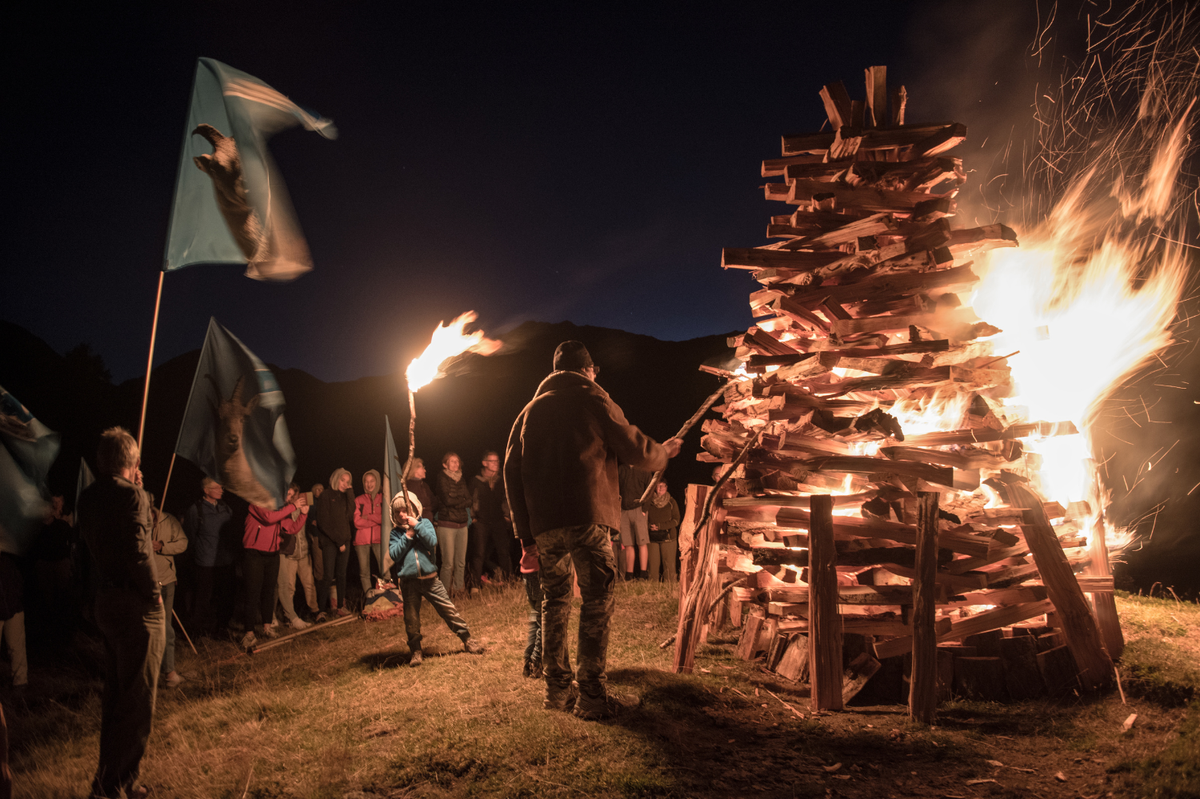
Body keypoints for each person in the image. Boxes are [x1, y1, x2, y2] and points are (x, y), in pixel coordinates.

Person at [504, 341, 681, 720]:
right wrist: (663, 453)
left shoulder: (529, 412)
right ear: (587, 370)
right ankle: (592, 696)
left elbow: (510, 471)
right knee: (597, 602)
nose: (595, 375)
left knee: (555, 601)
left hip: (545, 526)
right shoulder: (593, 399)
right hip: (587, 517)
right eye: (593, 371)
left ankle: (556, 692)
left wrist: (526, 536)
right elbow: (633, 445)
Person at [76, 427, 165, 799]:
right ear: (133, 461)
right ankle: (114, 786)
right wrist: (155, 593)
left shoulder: (89, 496)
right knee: (136, 699)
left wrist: (138, 491)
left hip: (106, 601)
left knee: (116, 695)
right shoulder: (131, 496)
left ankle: (111, 778)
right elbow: (139, 550)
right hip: (134, 604)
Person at [388, 491, 484, 666]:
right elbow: (394, 554)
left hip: (430, 579)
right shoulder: (395, 533)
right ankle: (416, 651)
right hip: (409, 583)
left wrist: (416, 527)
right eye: (397, 512)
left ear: (414, 508)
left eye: (404, 510)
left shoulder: (425, 524)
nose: (401, 514)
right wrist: (407, 536)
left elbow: (431, 541)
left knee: (448, 610)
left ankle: (467, 639)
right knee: (411, 619)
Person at [241, 486, 308, 648]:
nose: (288, 497)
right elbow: (269, 518)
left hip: (272, 554)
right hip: (254, 553)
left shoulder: (280, 510)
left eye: (291, 495)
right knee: (253, 592)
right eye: (287, 494)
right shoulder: (257, 503)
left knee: (269, 592)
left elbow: (291, 528)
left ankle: (267, 627)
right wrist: (293, 507)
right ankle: (248, 633)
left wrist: (303, 514)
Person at [182, 477, 237, 635]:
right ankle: (198, 631)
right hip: (206, 563)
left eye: (221, 487)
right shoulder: (196, 510)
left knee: (226, 598)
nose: (221, 490)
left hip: (225, 561)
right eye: (217, 487)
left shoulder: (226, 508)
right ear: (206, 490)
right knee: (203, 599)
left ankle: (221, 628)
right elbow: (190, 536)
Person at [149, 500, 189, 688]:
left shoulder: (168, 520)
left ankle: (166, 671)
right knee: (160, 630)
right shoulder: (137, 522)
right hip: (148, 584)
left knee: (166, 628)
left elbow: (183, 543)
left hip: (167, 580)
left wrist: (162, 546)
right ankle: (166, 673)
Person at [278, 486, 319, 631]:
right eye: (288, 494)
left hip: (304, 551)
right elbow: (290, 529)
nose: (292, 497)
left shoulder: (302, 506)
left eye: (293, 494)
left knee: (309, 583)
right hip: (289, 554)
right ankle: (289, 616)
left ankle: (315, 611)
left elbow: (311, 519)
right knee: (289, 587)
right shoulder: (284, 509)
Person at [315, 469, 355, 618]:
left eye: (347, 481)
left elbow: (350, 515)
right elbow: (324, 523)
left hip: (345, 540)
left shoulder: (345, 497)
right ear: (336, 479)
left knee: (342, 575)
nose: (345, 484)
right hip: (331, 542)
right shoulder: (325, 495)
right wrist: (338, 542)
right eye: (342, 480)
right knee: (328, 575)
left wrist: (350, 494)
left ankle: (340, 607)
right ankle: (321, 611)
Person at [432, 453, 471, 597]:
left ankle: (459, 589)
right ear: (445, 464)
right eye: (452, 461)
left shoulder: (462, 479)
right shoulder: (441, 479)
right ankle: (444, 592)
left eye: (457, 461)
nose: (455, 464)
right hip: (446, 524)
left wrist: (457, 500)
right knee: (448, 562)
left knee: (460, 560)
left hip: (462, 523)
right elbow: (447, 501)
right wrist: (461, 501)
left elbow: (469, 499)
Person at [470, 451, 511, 585]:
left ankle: (509, 581)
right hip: (481, 522)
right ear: (485, 463)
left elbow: (506, 498)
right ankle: (475, 585)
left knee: (504, 552)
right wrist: (473, 518)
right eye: (492, 461)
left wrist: (506, 515)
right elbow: (471, 500)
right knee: (479, 554)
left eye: (497, 461)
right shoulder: (477, 481)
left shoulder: (501, 480)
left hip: (498, 520)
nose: (496, 464)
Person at [353, 470, 386, 598]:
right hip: (361, 541)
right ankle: (370, 599)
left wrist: (369, 517)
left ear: (377, 482)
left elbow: (384, 519)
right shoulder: (359, 500)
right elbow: (357, 522)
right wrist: (375, 520)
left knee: (384, 569)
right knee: (364, 572)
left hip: (379, 539)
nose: (369, 484)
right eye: (366, 482)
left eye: (372, 481)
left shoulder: (383, 498)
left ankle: (387, 595)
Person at [618, 465, 654, 580]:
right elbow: (616, 488)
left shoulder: (644, 469)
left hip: (639, 509)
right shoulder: (621, 469)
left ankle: (643, 574)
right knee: (628, 544)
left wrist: (644, 509)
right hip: (624, 510)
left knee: (642, 542)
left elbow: (650, 489)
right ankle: (629, 575)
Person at [642, 481, 680, 583]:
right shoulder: (648, 502)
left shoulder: (671, 502)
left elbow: (676, 520)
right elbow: (642, 517)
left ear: (666, 487)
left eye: (662, 486)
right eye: (657, 486)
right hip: (652, 538)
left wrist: (660, 526)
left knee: (669, 566)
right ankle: (653, 591)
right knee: (653, 566)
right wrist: (649, 526)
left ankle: (670, 589)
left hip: (668, 538)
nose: (660, 488)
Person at [0, 553, 27, 695]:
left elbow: (18, 577)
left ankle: (20, 687)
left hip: (13, 607)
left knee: (17, 649)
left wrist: (16, 597)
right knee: (17, 649)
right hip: (11, 606)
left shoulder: (9, 555)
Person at [518, 542, 543, 679]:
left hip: (528, 570)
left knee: (536, 618)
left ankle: (528, 660)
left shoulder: (522, 521)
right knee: (543, 620)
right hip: (539, 569)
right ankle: (535, 662)